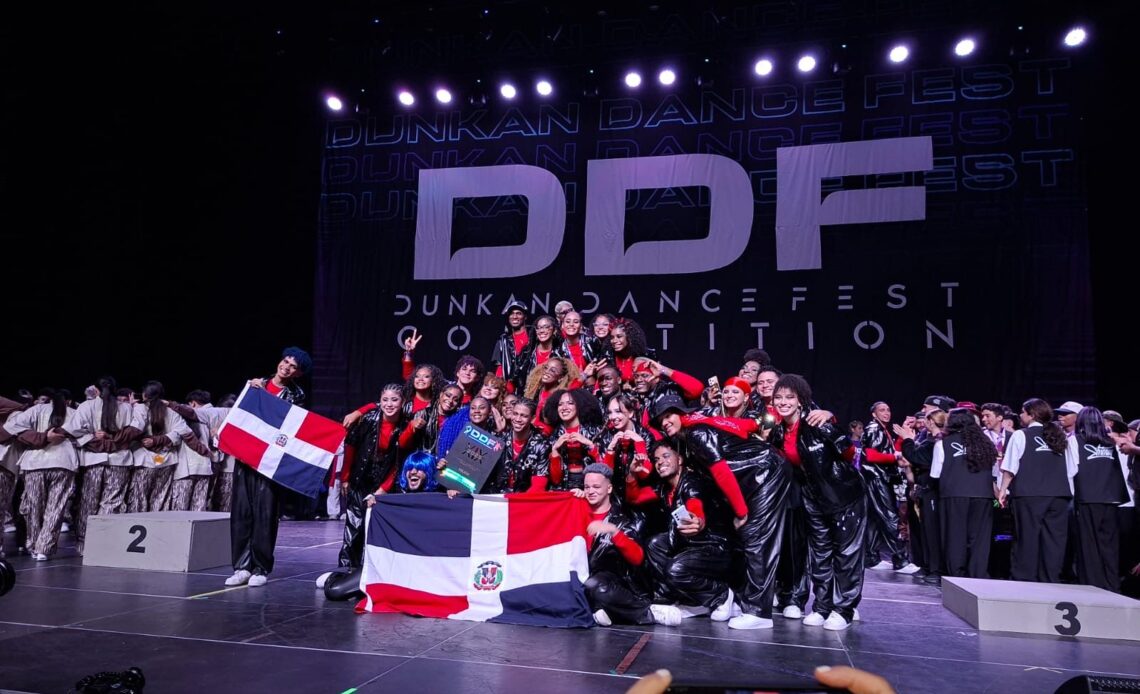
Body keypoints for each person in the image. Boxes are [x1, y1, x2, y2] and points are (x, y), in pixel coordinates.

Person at [652, 393, 790, 630]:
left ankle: (759, 613)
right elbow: (740, 426)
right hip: (759, 475)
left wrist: (740, 512)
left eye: (669, 415)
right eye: (661, 420)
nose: (665, 422)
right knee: (752, 538)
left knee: (757, 537)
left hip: (767, 472)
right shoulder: (698, 426)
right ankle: (743, 603)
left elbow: (721, 472)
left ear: (682, 413)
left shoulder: (696, 433)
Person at [768, 374, 866, 631]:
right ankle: (822, 607)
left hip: (844, 495)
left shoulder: (818, 423)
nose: (783, 402)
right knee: (819, 554)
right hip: (812, 499)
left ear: (800, 400)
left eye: (789, 397)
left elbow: (849, 452)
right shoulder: (778, 431)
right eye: (778, 397)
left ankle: (843, 609)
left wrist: (829, 417)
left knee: (846, 553)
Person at [226, 346, 312, 588]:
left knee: (265, 514)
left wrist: (264, 397)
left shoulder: (296, 396)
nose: (286, 367)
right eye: (285, 361)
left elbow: (287, 424)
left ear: (298, 373)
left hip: (270, 463)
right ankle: (241, 567)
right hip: (245, 458)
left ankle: (260, 568)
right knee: (241, 513)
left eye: (293, 366)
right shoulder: (256, 385)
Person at [626, 439, 735, 625]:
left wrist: (697, 520)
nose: (660, 462)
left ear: (680, 459)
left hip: (715, 547)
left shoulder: (692, 482)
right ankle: (692, 600)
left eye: (666, 456)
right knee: (654, 544)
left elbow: (694, 503)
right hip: (690, 544)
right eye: (656, 459)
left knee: (675, 571)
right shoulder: (665, 488)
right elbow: (634, 498)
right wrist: (631, 473)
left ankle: (721, 594)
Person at [997, 398, 1077, 583]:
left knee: (1027, 537)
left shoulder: (1020, 435)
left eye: (1022, 412)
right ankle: (1049, 579)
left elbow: (1010, 467)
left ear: (1031, 414)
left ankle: (1024, 579)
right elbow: (1072, 469)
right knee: (1054, 540)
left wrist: (1002, 490)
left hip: (1029, 494)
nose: (1020, 415)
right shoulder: (1060, 436)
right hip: (1059, 496)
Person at [576, 463, 664, 626]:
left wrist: (614, 532)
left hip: (609, 582)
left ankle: (647, 612)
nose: (590, 491)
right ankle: (606, 611)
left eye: (596, 487)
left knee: (596, 585)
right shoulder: (577, 511)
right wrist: (570, 500)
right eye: (587, 487)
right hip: (581, 577)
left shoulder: (621, 519)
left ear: (609, 488)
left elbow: (638, 558)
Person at [931, 408, 997, 579]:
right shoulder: (986, 443)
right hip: (983, 495)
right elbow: (994, 471)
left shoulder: (942, 444)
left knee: (955, 536)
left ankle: (956, 575)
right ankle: (977, 574)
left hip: (954, 494)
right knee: (979, 538)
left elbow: (935, 474)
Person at [1072, 406, 1129, 591]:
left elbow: (1071, 469)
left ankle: (1093, 586)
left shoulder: (1075, 441)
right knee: (1109, 546)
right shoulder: (1111, 442)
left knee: (1089, 545)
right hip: (1112, 499)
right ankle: (1112, 586)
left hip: (1088, 498)